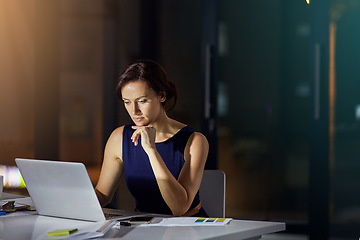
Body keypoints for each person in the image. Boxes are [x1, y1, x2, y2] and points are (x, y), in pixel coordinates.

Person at [95, 59, 209, 217]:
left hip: (188, 227)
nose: (134, 110)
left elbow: (179, 208)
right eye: (127, 102)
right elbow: (103, 195)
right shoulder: (119, 137)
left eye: (142, 101)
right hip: (144, 226)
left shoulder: (195, 141)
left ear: (161, 96)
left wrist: (151, 150)